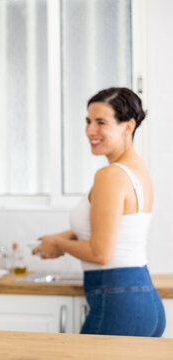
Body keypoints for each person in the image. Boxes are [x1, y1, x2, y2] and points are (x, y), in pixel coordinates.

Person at [33, 87, 165, 337]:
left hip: (118, 300)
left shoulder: (110, 175)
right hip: (144, 299)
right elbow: (117, 228)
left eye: (101, 122)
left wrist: (58, 244)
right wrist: (67, 236)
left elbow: (100, 252)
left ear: (128, 126)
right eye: (88, 121)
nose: (90, 131)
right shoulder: (137, 170)